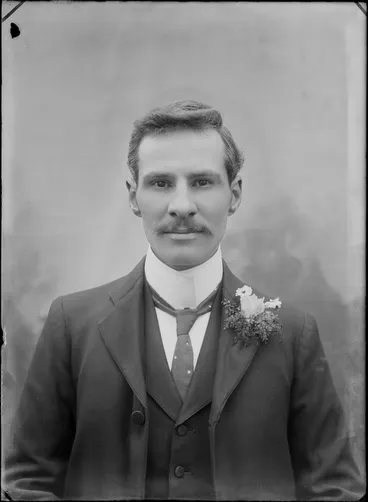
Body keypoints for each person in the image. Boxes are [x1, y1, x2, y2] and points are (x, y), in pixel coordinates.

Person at [3, 101, 364, 501]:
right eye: (160, 183)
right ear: (133, 196)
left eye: (202, 182)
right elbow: (28, 482)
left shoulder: (293, 334)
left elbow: (334, 488)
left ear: (235, 193)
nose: (181, 206)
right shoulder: (71, 324)